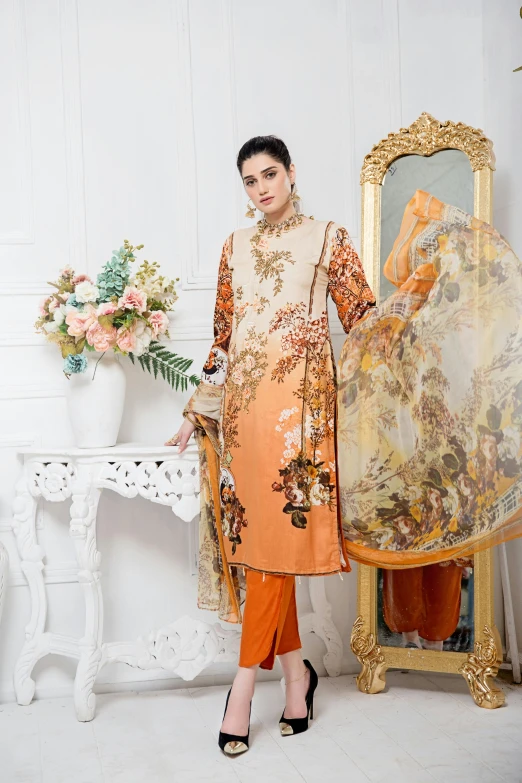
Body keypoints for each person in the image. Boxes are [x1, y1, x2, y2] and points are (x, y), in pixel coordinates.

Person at [166, 135, 375, 756]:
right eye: (250, 181)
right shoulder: (235, 247)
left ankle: (241, 685)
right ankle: (295, 675)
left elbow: (362, 317)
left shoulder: (329, 238)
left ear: (291, 173)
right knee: (263, 552)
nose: (261, 189)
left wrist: (411, 331)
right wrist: (195, 408)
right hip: (245, 419)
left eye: (270, 175)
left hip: (303, 420)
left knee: (274, 548)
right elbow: (223, 340)